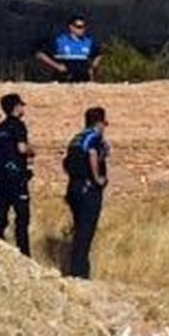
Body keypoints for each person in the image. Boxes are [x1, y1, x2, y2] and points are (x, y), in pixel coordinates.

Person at [62, 106, 110, 279]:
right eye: (105, 122)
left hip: (74, 187)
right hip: (88, 189)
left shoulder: (76, 138)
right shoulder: (93, 137)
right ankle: (79, 275)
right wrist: (97, 178)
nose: (105, 126)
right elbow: (92, 153)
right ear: (99, 122)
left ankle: (77, 271)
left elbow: (66, 162)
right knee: (85, 231)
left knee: (79, 229)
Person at [0, 93, 34, 256]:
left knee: (0, 219)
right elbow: (22, 149)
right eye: (21, 105)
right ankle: (24, 255)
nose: (23, 108)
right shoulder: (18, 125)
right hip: (17, 178)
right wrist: (32, 151)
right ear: (16, 107)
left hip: (0, 178)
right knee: (22, 219)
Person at [34, 14, 103, 83]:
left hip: (83, 79)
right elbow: (40, 54)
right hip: (64, 78)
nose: (82, 29)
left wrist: (93, 66)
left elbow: (99, 53)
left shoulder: (88, 42)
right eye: (79, 27)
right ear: (71, 27)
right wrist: (56, 66)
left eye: (84, 27)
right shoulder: (59, 41)